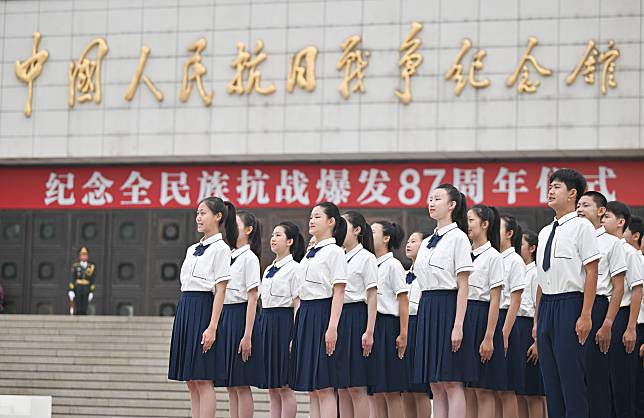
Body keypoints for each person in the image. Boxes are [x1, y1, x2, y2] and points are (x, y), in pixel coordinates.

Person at [533, 168, 600, 418]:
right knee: (551, 383)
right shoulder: (544, 231)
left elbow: (592, 272)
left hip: (570, 304)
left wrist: (585, 314)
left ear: (572, 194)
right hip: (547, 307)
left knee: (571, 380)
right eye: (549, 186)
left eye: (556, 186)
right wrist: (538, 321)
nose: (550, 190)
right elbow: (542, 280)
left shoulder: (582, 227)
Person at [168, 196, 237, 418]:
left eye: (203, 213)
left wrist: (213, 326)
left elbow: (221, 290)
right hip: (186, 308)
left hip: (204, 309)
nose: (198, 217)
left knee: (203, 378)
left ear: (218, 216)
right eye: (197, 213)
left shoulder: (221, 249)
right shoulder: (191, 249)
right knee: (191, 379)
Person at [413, 183, 474, 418]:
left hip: (448, 307)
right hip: (427, 308)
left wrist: (458, 324)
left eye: (437, 199)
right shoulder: (427, 241)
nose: (431, 203)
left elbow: (463, 284)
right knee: (435, 383)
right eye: (430, 198)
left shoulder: (459, 238)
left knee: (451, 381)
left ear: (451, 205)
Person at [289, 202, 348, 418]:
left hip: (323, 313)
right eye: (311, 217)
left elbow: (339, 292)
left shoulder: (335, 252)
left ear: (331, 222)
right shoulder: (310, 253)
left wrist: (332, 327)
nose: (311, 220)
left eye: (317, 217)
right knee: (312, 388)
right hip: (306, 314)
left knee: (324, 385)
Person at [576, 191, 626, 418]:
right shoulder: (571, 238)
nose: (579, 209)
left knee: (596, 377)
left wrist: (607, 323)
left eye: (585, 205)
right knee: (574, 377)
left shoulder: (611, 244)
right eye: (578, 205)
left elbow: (618, 287)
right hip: (572, 304)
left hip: (597, 307)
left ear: (601, 211)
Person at [215, 211, 265, 418]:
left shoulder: (249, 258)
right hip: (225, 316)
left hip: (240, 316)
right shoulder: (228, 255)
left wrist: (247, 335)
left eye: (235, 224)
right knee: (230, 384)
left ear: (248, 230)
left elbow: (252, 298)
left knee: (241, 383)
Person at [258, 221, 305, 418]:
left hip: (283, 323)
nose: (273, 239)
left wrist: (295, 334)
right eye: (272, 235)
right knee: (272, 386)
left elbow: (297, 303)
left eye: (278, 235)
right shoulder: (269, 268)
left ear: (290, 241)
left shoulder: (295, 268)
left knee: (285, 386)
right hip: (267, 322)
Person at [462, 204, 504, 418]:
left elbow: (495, 299)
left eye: (471, 220)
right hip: (464, 317)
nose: (467, 225)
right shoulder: (463, 254)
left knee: (483, 389)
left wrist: (489, 337)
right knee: (467, 388)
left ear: (485, 224)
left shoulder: (493, 257)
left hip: (482, 317)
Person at [602, 202, 643, 418]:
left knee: (622, 382)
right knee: (604, 381)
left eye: (606, 216)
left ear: (620, 222)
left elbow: (637, 290)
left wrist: (631, 328)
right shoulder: (601, 247)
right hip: (603, 315)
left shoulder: (629, 252)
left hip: (622, 317)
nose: (602, 221)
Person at [336, 211, 378, 418]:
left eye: (344, 225)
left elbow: (372, 296)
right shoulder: (336, 255)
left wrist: (369, 331)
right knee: (341, 386)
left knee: (356, 386)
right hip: (338, 317)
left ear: (357, 230)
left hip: (356, 318)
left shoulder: (366, 258)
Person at [369, 220, 409, 418]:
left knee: (391, 390)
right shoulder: (369, 263)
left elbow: (403, 300)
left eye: (373, 231)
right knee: (375, 390)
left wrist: (403, 334)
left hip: (388, 327)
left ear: (386, 238)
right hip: (371, 326)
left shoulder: (393, 265)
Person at [497, 214, 528, 417]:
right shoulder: (492, 257)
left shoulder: (514, 260)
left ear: (509, 234)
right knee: (492, 389)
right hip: (493, 319)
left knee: (506, 389)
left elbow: (515, 300)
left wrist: (504, 333)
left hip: (508, 320)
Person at [401, 231, 432, 418]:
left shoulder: (428, 274)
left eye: (414, 241)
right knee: (405, 388)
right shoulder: (404, 274)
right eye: (408, 240)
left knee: (419, 388)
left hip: (419, 325)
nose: (409, 244)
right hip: (404, 326)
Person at [518, 231, 547, 418]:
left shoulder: (535, 272)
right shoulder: (518, 269)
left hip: (530, 328)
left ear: (532, 248)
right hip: (518, 330)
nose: (517, 247)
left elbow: (538, 305)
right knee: (519, 391)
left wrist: (536, 341)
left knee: (533, 393)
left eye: (521, 244)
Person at [68, 246, 96, 315]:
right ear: (79, 256)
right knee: (78, 302)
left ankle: (84, 313)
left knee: (85, 303)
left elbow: (92, 279)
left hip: (86, 287)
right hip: (78, 287)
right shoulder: (75, 266)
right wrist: (71, 290)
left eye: (85, 254)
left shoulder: (91, 267)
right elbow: (72, 278)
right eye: (82, 254)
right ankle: (78, 313)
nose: (84, 256)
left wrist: (92, 291)